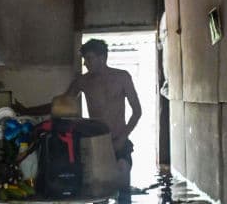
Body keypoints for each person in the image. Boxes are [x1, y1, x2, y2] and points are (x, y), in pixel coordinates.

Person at [17, 39, 142, 169]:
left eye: (89, 58)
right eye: (84, 59)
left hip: (119, 140)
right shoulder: (82, 81)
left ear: (102, 58)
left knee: (122, 178)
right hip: (95, 140)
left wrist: (123, 138)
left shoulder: (122, 77)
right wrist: (27, 111)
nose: (85, 63)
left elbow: (137, 111)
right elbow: (59, 106)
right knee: (95, 183)